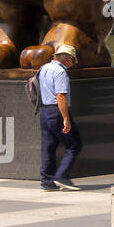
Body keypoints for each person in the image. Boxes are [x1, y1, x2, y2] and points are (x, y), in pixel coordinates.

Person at [38, 43, 82, 191]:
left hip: (45, 111)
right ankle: (61, 176)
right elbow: (60, 96)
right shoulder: (60, 72)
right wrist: (65, 118)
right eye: (73, 60)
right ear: (67, 58)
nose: (72, 64)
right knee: (74, 144)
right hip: (57, 111)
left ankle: (47, 181)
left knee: (48, 147)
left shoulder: (44, 68)